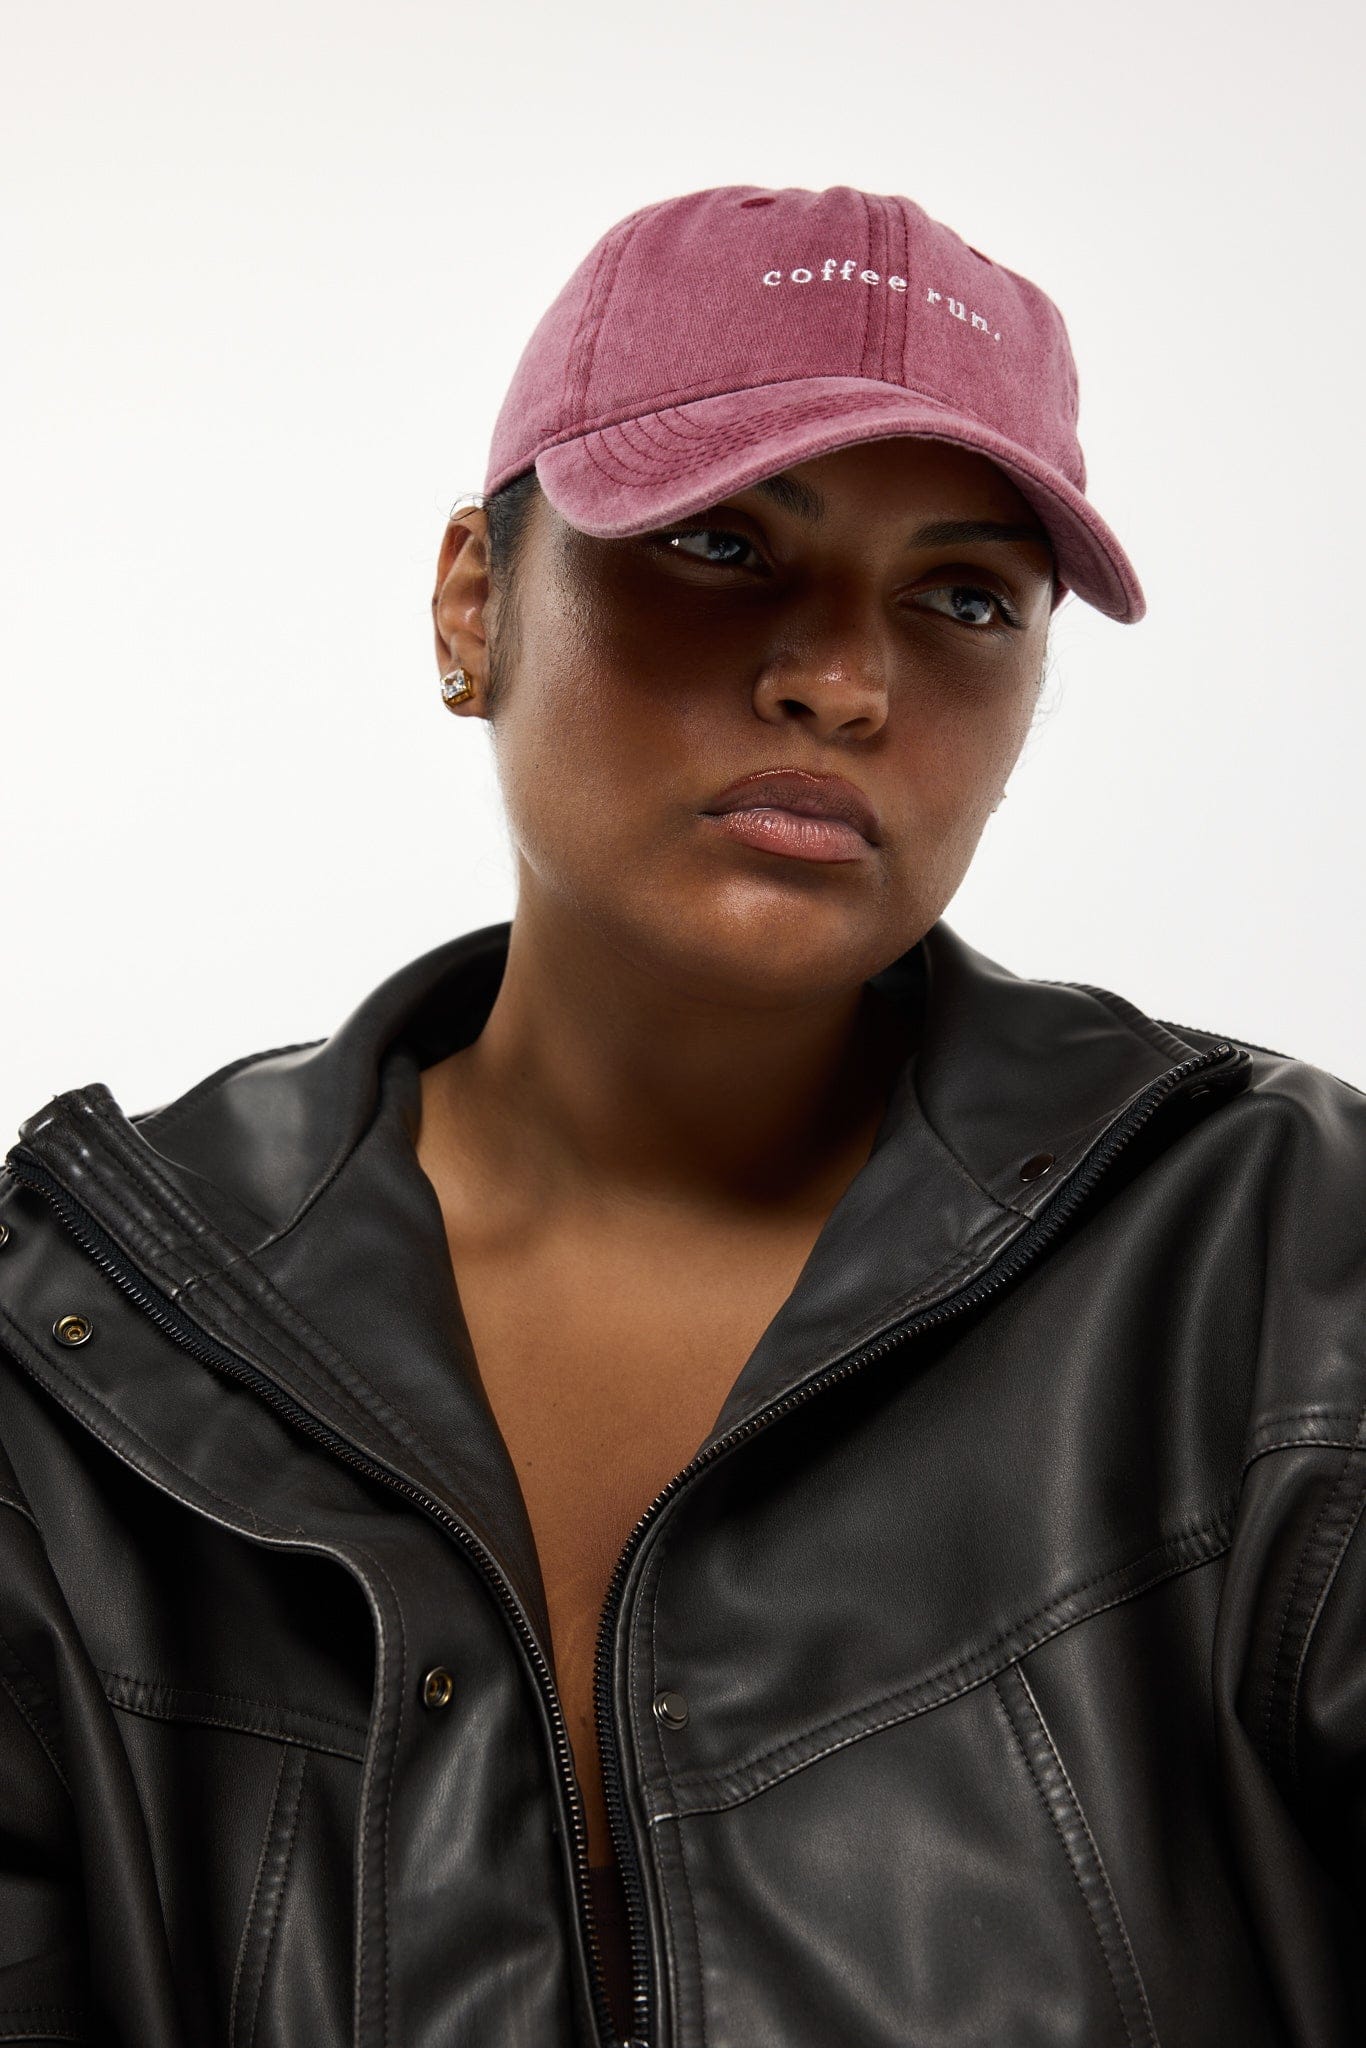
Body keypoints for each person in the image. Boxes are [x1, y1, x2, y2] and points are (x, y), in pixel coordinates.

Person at [0, 182, 1361, 2048]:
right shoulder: (84, 1345)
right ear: (475, 601)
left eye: (964, 597)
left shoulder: (1283, 1263)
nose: (840, 680)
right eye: (722, 544)